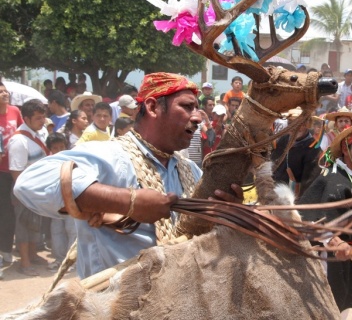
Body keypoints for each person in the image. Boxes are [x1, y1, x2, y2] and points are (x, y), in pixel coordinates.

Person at [13, 72, 241, 278]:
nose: (198, 117)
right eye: (187, 107)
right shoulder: (108, 155)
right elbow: (29, 184)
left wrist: (227, 214)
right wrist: (129, 201)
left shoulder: (191, 170)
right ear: (152, 107)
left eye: (197, 108)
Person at [298, 123, 352, 319]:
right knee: (327, 303)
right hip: (330, 256)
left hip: (351, 252)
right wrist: (335, 242)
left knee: (343, 302)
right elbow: (312, 220)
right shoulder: (333, 180)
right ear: (346, 150)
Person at [8, 99, 50, 276]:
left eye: (43, 117)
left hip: (38, 190)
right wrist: (25, 195)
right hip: (24, 192)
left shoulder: (40, 133)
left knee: (35, 225)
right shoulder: (19, 140)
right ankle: (24, 262)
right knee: (23, 227)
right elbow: (16, 172)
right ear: (26, 118)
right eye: (38, 118)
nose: (42, 121)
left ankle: (32, 255)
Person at [44, 133, 77, 272]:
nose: (59, 150)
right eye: (55, 147)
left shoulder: (73, 161)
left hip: (71, 201)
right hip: (55, 203)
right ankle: (59, 259)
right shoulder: (47, 162)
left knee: (72, 231)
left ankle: (72, 261)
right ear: (50, 149)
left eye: (61, 147)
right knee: (56, 231)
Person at [272, 107, 322, 199]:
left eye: (299, 124)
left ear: (307, 125)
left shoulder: (314, 149)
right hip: (273, 192)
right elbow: (273, 163)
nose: (294, 128)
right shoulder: (283, 139)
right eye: (290, 123)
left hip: (292, 199)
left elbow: (308, 184)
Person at [0, 82, 23, 272]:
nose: (4, 93)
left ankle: (8, 248)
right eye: (0, 92)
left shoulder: (15, 111)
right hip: (0, 172)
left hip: (15, 169)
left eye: (5, 90)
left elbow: (23, 132)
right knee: (3, 211)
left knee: (13, 210)